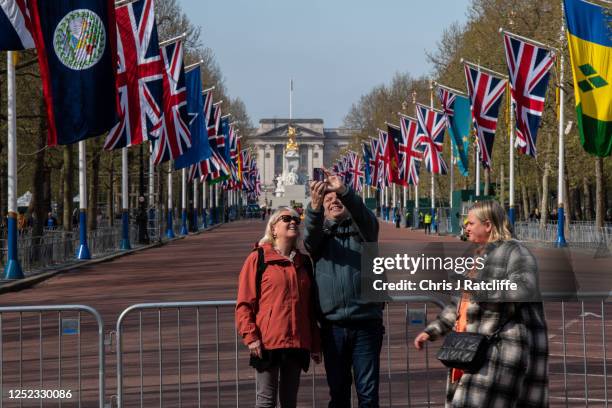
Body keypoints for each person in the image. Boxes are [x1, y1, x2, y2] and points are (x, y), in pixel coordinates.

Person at [413, 200, 548, 407]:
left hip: (500, 350)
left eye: (470, 223)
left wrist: (480, 288)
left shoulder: (515, 251)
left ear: (488, 225)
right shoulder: (477, 255)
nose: (465, 227)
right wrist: (433, 330)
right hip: (474, 349)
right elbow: (460, 303)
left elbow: (524, 289)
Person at [305, 170, 384, 408]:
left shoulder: (364, 231)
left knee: (367, 394)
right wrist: (315, 208)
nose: (334, 202)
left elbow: (364, 215)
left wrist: (344, 191)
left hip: (366, 323)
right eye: (328, 200)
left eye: (337, 199)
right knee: (338, 394)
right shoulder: (320, 239)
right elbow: (309, 236)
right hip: (333, 326)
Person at [236, 207, 321, 408]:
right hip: (268, 342)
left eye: (295, 219)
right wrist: (251, 337)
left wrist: (315, 344)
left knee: (289, 402)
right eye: (286, 218)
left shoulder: (304, 262)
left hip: (297, 341)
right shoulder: (258, 258)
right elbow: (244, 302)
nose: (293, 221)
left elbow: (310, 309)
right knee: (266, 401)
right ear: (274, 228)